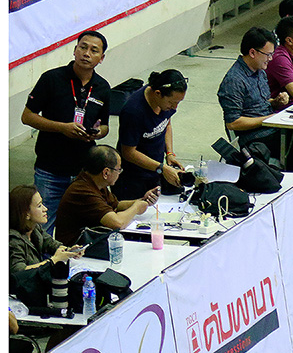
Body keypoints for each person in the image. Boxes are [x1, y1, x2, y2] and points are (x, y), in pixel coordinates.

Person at [21, 31, 112, 234]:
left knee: (83, 230)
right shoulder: (51, 79)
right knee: (42, 229)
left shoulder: (102, 87)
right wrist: (62, 128)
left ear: (101, 58)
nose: (86, 53)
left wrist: (98, 133)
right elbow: (27, 116)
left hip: (84, 173)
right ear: (74, 50)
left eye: (94, 50)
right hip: (50, 170)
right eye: (83, 47)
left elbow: (105, 125)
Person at [217, 27, 293, 172]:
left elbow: (258, 103)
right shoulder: (234, 81)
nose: (271, 59)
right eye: (268, 54)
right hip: (255, 138)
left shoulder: (260, 71)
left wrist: (275, 102)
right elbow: (233, 123)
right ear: (252, 53)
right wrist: (268, 119)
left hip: (271, 128)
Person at [53, 145, 158, 245]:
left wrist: (142, 200)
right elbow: (117, 223)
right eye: (118, 170)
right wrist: (136, 208)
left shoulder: (95, 182)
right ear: (106, 173)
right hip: (74, 249)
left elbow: (116, 205)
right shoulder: (82, 191)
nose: (119, 173)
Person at [114, 70, 188, 200]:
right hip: (132, 177)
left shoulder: (165, 104)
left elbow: (166, 124)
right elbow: (128, 152)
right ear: (158, 93)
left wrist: (169, 153)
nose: (175, 107)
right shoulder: (133, 112)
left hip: (154, 169)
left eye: (178, 102)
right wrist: (162, 168)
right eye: (172, 102)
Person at [9, 185, 84, 277]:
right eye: (39, 206)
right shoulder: (12, 239)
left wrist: (69, 251)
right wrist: (53, 260)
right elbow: (18, 272)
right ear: (26, 213)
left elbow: (51, 244)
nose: (45, 209)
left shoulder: (34, 228)